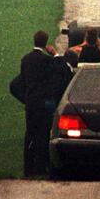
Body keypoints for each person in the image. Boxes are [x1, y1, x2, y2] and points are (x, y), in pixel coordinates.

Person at [19, 30, 60, 177]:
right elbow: (60, 67)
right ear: (46, 43)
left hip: (30, 103)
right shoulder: (47, 60)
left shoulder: (25, 59)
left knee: (30, 135)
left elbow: (23, 81)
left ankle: (27, 169)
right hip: (43, 104)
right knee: (43, 135)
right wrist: (55, 54)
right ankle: (40, 167)